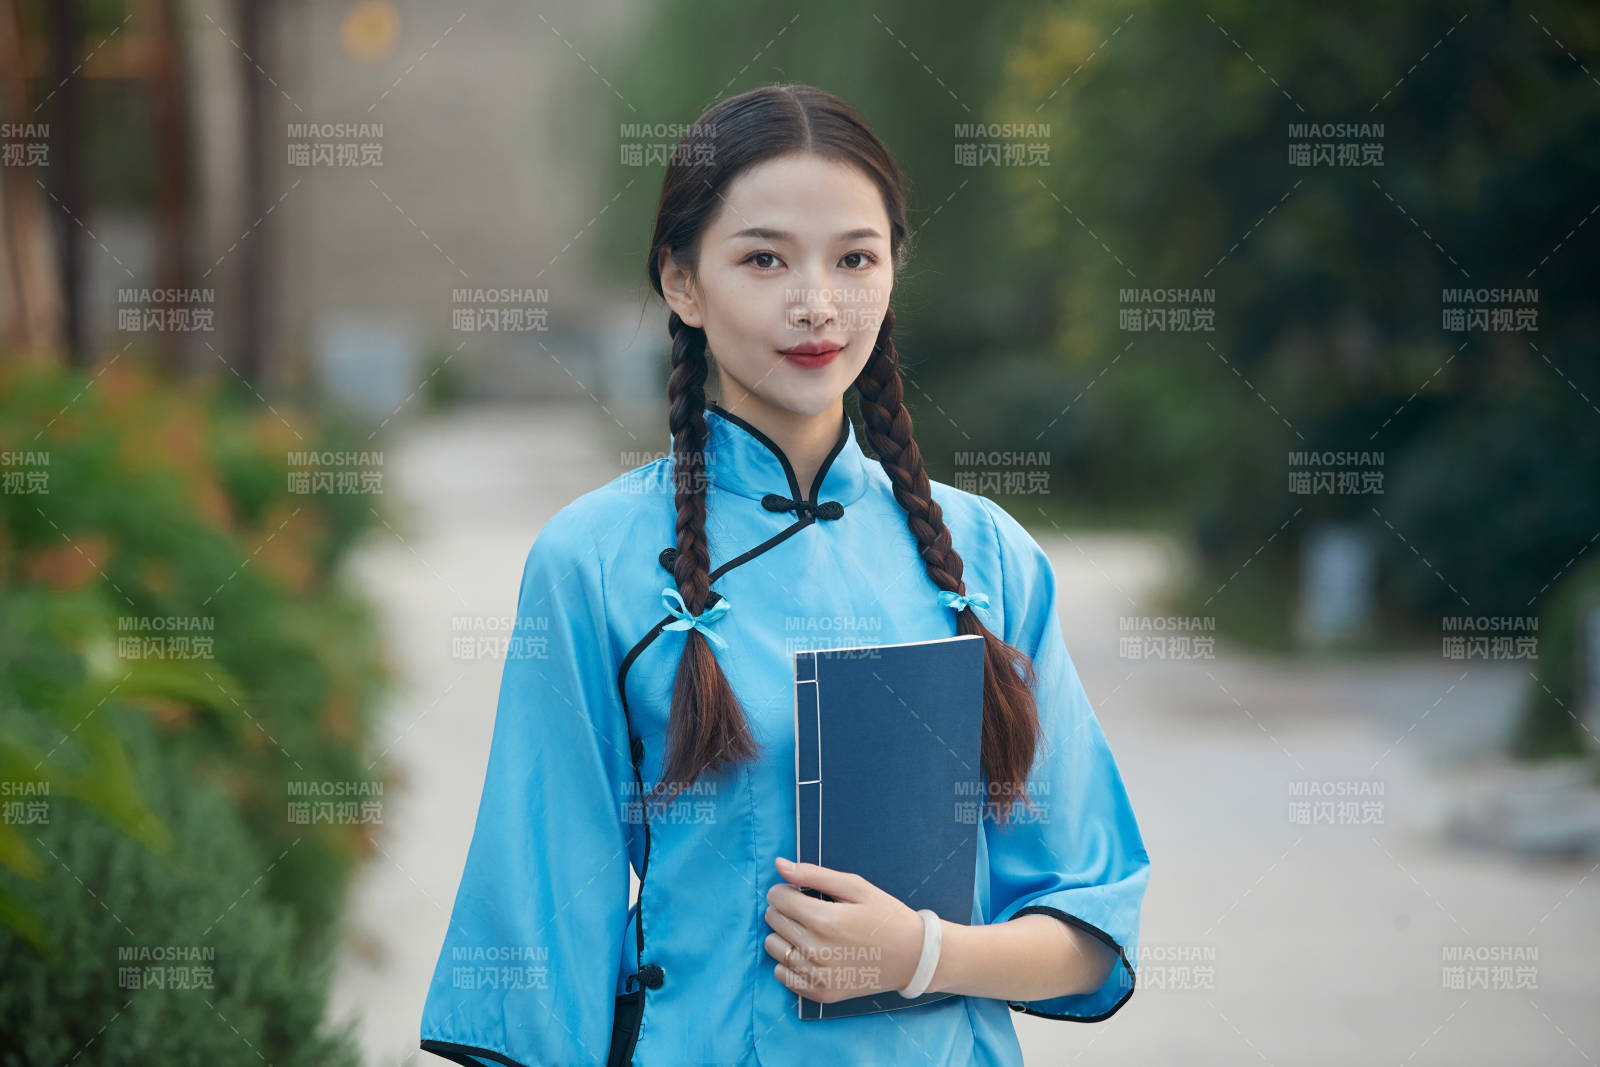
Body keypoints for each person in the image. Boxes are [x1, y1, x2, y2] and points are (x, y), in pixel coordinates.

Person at [419, 83, 1151, 1067]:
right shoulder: (594, 560)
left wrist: (922, 949)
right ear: (682, 282)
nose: (817, 303)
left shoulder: (989, 559)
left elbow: (1088, 920)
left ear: (893, 272)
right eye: (763, 258)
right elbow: (541, 926)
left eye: (854, 258)